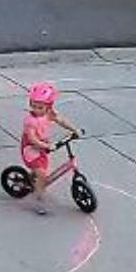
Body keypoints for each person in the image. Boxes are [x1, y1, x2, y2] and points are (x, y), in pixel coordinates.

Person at [22, 82, 84, 215]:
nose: (36, 109)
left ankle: (33, 178)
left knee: (41, 169)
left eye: (40, 107)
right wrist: (46, 146)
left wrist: (75, 130)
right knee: (43, 176)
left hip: (43, 146)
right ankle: (39, 199)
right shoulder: (30, 121)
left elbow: (61, 120)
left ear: (49, 106)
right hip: (31, 149)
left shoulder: (49, 113)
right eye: (33, 105)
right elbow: (32, 139)